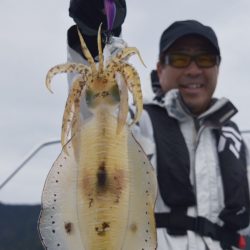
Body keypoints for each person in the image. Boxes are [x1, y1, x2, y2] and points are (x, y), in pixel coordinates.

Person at [67, 1, 250, 249]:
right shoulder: (134, 122)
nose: (194, 69)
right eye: (180, 58)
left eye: (205, 59)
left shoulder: (234, 139)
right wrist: (92, 38)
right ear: (160, 68)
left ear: (217, 67)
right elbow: (94, 118)